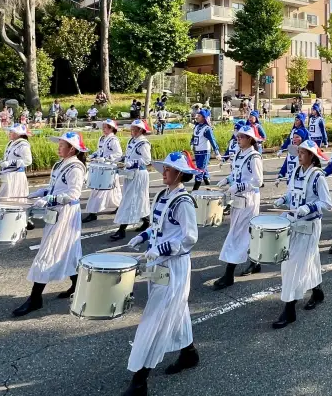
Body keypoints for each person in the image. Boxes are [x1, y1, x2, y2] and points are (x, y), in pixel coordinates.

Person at [123, 152, 200, 394]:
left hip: (174, 265)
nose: (164, 171)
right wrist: (143, 237)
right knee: (175, 309)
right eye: (164, 168)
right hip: (158, 264)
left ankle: (140, 378)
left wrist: (161, 249)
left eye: (169, 169)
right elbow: (158, 228)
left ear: (179, 173)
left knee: (155, 317)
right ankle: (189, 353)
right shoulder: (161, 195)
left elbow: (189, 238)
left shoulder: (184, 201)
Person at [13, 131, 87, 316]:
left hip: (67, 214)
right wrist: (43, 192)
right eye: (60, 143)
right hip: (57, 212)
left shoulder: (76, 168)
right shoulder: (60, 164)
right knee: (68, 251)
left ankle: (35, 298)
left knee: (49, 252)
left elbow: (73, 194)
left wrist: (50, 199)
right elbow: (55, 186)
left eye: (62, 145)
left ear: (72, 149)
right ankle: (78, 286)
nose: (59, 147)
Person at [271, 139, 332, 328]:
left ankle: (289, 309)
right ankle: (317, 291)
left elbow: (327, 203)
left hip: (310, 225)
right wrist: (283, 198)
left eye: (303, 153)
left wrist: (309, 207)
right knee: (308, 260)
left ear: (312, 156)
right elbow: (292, 193)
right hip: (294, 222)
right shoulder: (296, 171)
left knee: (292, 265)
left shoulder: (317, 176)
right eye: (298, 153)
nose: (299, 156)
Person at [213, 125, 264, 287]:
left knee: (237, 235)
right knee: (246, 233)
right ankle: (256, 262)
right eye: (238, 136)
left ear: (250, 139)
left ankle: (229, 275)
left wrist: (239, 186)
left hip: (248, 199)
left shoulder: (254, 157)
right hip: (237, 198)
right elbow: (236, 174)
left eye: (242, 136)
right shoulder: (239, 154)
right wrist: (227, 180)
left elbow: (258, 181)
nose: (238, 138)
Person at [111, 119, 153, 241]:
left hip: (139, 173)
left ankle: (122, 229)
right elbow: (129, 155)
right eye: (131, 129)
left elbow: (147, 160)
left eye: (134, 129)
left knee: (129, 200)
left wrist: (130, 163)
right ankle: (146, 221)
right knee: (139, 198)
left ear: (140, 130)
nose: (131, 131)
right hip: (131, 173)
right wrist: (121, 160)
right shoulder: (132, 140)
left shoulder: (143, 143)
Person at [83, 119, 123, 223]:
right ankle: (119, 206)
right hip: (101, 167)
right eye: (103, 127)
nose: (103, 129)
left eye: (105, 127)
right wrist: (93, 155)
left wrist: (107, 158)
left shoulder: (114, 140)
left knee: (99, 189)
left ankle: (93, 212)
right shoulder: (101, 138)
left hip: (109, 168)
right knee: (114, 190)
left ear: (111, 129)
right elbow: (100, 151)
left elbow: (118, 154)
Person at [0, 123, 33, 209]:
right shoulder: (11, 143)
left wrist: (10, 163)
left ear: (18, 134)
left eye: (11, 131)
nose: (9, 133)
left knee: (11, 196)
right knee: (7, 196)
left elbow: (28, 161)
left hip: (16, 175)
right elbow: (8, 158)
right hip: (9, 175)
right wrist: (0, 162)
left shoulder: (23, 145)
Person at [190, 109, 221, 191]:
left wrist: (217, 152)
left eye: (199, 116)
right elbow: (193, 136)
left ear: (204, 118)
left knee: (199, 171)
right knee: (204, 172)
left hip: (204, 152)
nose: (197, 117)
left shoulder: (207, 129)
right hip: (197, 152)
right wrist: (191, 143)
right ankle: (210, 190)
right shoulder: (196, 126)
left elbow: (212, 140)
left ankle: (194, 192)